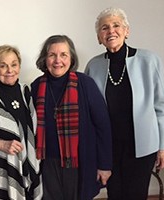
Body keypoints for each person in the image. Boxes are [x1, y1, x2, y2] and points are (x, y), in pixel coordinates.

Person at [85, 7, 164, 200]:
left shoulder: (149, 61)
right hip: (109, 148)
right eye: (104, 28)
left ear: (127, 31)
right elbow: (89, 111)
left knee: (136, 195)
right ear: (99, 37)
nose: (111, 31)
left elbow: (163, 107)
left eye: (116, 25)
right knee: (114, 195)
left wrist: (163, 147)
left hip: (142, 147)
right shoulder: (93, 66)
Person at [31, 35, 112, 200]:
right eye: (52, 55)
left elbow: (103, 126)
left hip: (79, 162)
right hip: (46, 162)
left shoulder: (86, 84)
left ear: (71, 58)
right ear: (45, 59)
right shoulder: (36, 86)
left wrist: (104, 165)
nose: (57, 60)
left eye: (63, 55)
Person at [0, 45, 42, 200]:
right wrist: (0, 144)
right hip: (0, 172)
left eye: (14, 64)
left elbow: (32, 129)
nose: (10, 70)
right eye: (3, 66)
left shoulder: (25, 91)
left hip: (27, 165)